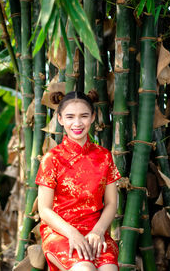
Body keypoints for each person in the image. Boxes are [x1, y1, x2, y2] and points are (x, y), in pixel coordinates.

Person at [35, 90, 121, 271]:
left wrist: (98, 232)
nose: (77, 123)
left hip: (95, 232)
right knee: (85, 268)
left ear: (93, 117)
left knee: (109, 270)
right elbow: (44, 210)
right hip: (61, 231)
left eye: (83, 116)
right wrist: (72, 233)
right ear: (60, 119)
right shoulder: (52, 159)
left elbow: (112, 203)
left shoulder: (104, 156)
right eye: (70, 117)